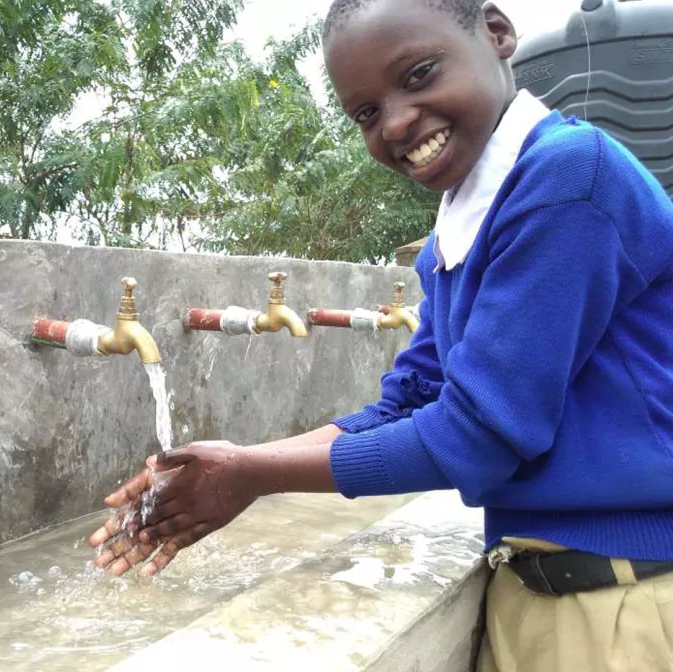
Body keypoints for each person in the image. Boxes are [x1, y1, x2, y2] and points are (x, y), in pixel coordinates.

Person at [89, 0, 673, 669]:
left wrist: (253, 476)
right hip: (539, 587)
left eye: (420, 74)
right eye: (365, 113)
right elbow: (410, 404)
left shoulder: (568, 179)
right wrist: (236, 461)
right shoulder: (458, 231)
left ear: (496, 32)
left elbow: (480, 437)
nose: (396, 122)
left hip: (622, 602)